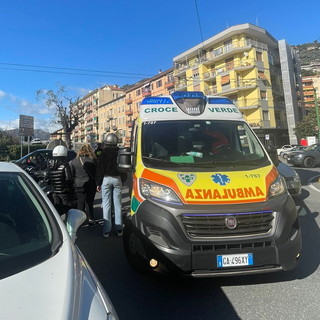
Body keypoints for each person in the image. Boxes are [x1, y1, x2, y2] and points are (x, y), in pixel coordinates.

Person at [96, 133, 123, 238]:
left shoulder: (102, 154)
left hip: (106, 179)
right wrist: (122, 179)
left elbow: (100, 169)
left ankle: (106, 231)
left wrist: (98, 183)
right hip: (117, 178)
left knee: (106, 205)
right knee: (118, 205)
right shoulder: (120, 153)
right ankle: (119, 229)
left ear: (106, 142)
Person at [69, 144, 97, 225]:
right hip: (90, 184)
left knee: (80, 202)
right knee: (89, 202)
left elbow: (72, 173)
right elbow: (96, 173)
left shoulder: (74, 161)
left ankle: (80, 221)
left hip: (78, 184)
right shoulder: (92, 160)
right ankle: (90, 219)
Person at [46, 145, 74, 216]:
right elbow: (69, 178)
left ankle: (58, 224)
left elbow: (47, 179)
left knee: (57, 210)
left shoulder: (49, 164)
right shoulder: (65, 165)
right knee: (68, 210)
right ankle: (68, 224)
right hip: (64, 191)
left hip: (54, 191)